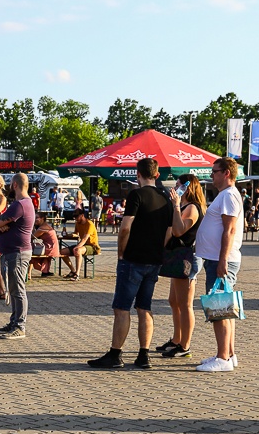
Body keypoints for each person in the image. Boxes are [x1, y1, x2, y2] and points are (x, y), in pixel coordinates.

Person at [88, 158, 172, 370]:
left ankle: (116, 354)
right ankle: (144, 355)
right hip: (154, 260)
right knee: (145, 307)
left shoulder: (136, 195)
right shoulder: (165, 197)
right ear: (157, 174)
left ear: (138, 173)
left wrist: (121, 253)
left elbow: (125, 227)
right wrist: (159, 250)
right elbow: (169, 231)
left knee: (122, 308)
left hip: (133, 258)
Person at [194, 157, 244, 372]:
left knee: (219, 308)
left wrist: (222, 259)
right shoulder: (225, 196)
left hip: (221, 260)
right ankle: (228, 353)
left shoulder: (229, 195)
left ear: (226, 173)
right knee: (224, 307)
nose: (211, 175)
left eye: (214, 171)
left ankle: (223, 358)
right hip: (216, 259)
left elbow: (230, 230)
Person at [156, 174, 206, 359]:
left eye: (179, 186)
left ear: (188, 187)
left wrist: (176, 205)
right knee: (173, 300)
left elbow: (178, 230)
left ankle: (185, 345)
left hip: (187, 257)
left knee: (185, 304)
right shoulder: (182, 206)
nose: (175, 189)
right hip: (176, 255)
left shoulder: (192, 208)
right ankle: (177, 339)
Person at [0, 172, 35, 339]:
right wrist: (1, 224)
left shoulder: (20, 204)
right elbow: (0, 223)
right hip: (12, 252)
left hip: (17, 252)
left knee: (18, 289)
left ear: (15, 185)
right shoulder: (23, 203)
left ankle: (20, 326)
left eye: (11, 184)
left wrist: (0, 223)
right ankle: (14, 322)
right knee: (13, 288)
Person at [59, 209, 100, 281]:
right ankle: (73, 270)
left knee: (77, 251)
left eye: (77, 217)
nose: (75, 219)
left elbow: (84, 239)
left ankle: (77, 274)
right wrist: (68, 235)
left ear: (82, 215)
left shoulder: (89, 224)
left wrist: (77, 247)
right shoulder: (78, 223)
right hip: (83, 245)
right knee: (61, 252)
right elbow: (76, 234)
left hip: (92, 246)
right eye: (74, 217)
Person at [30, 212, 59, 276]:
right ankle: (45, 271)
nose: (34, 220)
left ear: (42, 218)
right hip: (53, 247)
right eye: (34, 218)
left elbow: (33, 236)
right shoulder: (46, 225)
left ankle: (28, 273)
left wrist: (31, 226)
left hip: (50, 248)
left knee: (29, 249)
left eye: (36, 218)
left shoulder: (42, 228)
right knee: (33, 247)